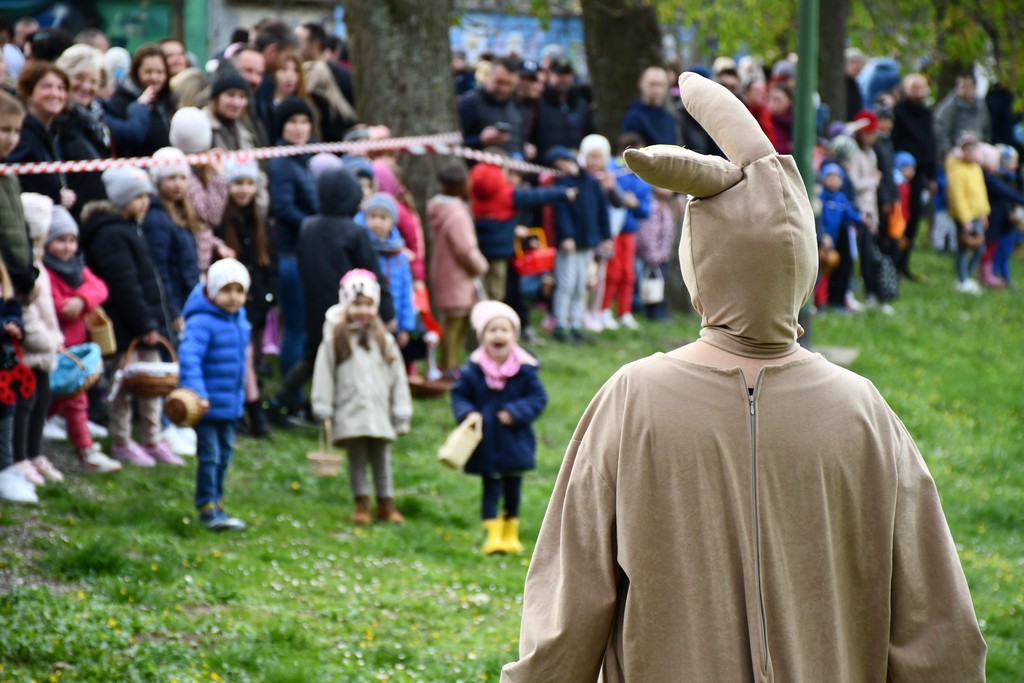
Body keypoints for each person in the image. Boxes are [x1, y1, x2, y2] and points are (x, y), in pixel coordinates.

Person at [501, 72, 987, 682]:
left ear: (700, 260)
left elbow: (567, 609)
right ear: (803, 265)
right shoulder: (861, 409)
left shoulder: (633, 400)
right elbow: (936, 624)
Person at [269, 167, 393, 425]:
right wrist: (388, 313)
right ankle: (331, 408)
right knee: (342, 358)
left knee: (314, 354)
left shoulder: (308, 226)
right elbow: (373, 274)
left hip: (314, 306)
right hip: (347, 308)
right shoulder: (353, 232)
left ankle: (281, 401)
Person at [80, 167, 180, 467]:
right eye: (138, 197)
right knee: (123, 386)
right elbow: (125, 286)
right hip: (128, 328)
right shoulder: (111, 233)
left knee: (152, 383)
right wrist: (145, 324)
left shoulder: (129, 227)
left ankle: (152, 437)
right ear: (122, 199)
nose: (145, 202)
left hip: (143, 323)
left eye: (146, 196)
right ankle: (122, 440)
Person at [311, 269, 412, 525]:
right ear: (346, 305)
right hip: (350, 410)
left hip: (379, 413)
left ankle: (386, 503)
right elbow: (324, 374)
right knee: (356, 460)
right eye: (357, 305)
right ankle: (361, 503)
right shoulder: (335, 338)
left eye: (368, 305)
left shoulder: (384, 340)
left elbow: (397, 377)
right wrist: (323, 407)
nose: (363, 311)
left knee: (382, 459)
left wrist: (400, 411)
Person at [451, 300, 547, 555]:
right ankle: (493, 535)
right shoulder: (473, 370)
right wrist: (468, 413)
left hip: (515, 441)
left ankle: (510, 532)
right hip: (486, 442)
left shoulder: (525, 370)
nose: (498, 335)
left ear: (514, 335)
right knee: (490, 487)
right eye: (492, 330)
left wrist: (516, 412)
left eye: (504, 330)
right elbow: (459, 396)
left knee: (513, 486)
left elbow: (538, 398)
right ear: (483, 337)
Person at [42, 204, 120, 473]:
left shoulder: (77, 268)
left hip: (77, 349)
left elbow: (100, 287)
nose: (67, 247)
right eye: (60, 240)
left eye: (71, 240)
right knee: (52, 401)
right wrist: (71, 303)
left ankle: (86, 451)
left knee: (76, 400)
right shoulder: (45, 273)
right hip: (54, 347)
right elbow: (56, 307)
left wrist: (82, 299)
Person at [177, 258, 251, 531]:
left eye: (239, 290)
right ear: (212, 290)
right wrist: (198, 393)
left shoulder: (239, 320)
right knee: (210, 455)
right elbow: (190, 358)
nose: (233, 297)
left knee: (225, 454)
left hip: (229, 404)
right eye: (227, 290)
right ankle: (207, 505)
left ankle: (217, 502)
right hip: (207, 405)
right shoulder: (202, 322)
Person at [217, 158, 275, 438]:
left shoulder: (258, 220)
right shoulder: (222, 222)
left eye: (249, 183)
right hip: (233, 302)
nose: (244, 190)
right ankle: (252, 410)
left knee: (252, 356)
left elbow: (266, 262)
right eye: (238, 183)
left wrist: (267, 297)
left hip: (256, 302)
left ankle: (246, 408)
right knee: (242, 355)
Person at [14, 193, 63, 486]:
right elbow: (27, 313)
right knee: (24, 405)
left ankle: (34, 454)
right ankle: (19, 458)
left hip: (44, 351)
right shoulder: (24, 266)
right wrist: (48, 340)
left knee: (41, 401)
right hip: (28, 352)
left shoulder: (39, 262)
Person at [268, 96, 318, 386]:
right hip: (289, 255)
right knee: (297, 328)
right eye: (292, 122)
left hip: (302, 252)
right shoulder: (283, 162)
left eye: (304, 122)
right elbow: (283, 208)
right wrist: (315, 227)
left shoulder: (303, 159)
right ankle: (290, 396)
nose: (299, 129)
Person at [546, 145, 611, 344]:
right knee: (566, 283)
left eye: (565, 162)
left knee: (581, 285)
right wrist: (566, 236)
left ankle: (576, 324)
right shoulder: (563, 185)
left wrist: (605, 236)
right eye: (559, 165)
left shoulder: (591, 183)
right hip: (570, 244)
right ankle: (561, 324)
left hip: (587, 242)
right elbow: (561, 213)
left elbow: (602, 210)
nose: (565, 167)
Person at [427, 162, 488, 372]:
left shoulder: (439, 207)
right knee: (455, 322)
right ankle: (449, 366)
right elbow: (465, 249)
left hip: (445, 270)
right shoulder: (456, 214)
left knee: (454, 319)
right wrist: (480, 266)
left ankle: (450, 363)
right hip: (457, 274)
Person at [142, 146, 201, 333]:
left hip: (188, 298)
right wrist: (173, 312)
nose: (178, 184)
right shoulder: (156, 219)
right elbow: (160, 269)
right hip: (176, 304)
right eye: (171, 178)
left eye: (183, 178)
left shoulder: (180, 212)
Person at [8, 61, 74, 210]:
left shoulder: (50, 133)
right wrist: (55, 197)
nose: (55, 94)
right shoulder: (23, 134)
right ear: (28, 92)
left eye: (61, 88)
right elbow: (17, 181)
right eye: (47, 86)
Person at [601, 133, 651, 331]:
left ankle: (624, 312)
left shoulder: (643, 176)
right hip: (611, 232)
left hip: (629, 231)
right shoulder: (611, 170)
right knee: (611, 273)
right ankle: (604, 310)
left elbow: (645, 210)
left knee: (627, 274)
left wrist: (635, 204)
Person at [891, 73, 936, 280]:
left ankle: (904, 264)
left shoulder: (927, 114)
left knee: (914, 218)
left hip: (920, 175)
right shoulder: (898, 112)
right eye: (914, 88)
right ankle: (893, 263)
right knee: (899, 219)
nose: (918, 92)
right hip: (900, 176)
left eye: (921, 88)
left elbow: (930, 144)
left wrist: (932, 175)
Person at [361, 192, 416, 356]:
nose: (377, 222)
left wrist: (406, 326)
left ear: (392, 221)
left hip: (394, 322)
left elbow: (407, 293)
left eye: (383, 217)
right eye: (372, 216)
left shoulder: (400, 256)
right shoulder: (362, 249)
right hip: (367, 319)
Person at [104, 43, 176, 158]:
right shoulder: (121, 101)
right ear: (136, 72)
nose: (154, 78)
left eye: (160, 72)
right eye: (148, 72)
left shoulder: (168, 101)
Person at [945, 133, 989, 294]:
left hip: (977, 214)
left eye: (974, 150)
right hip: (965, 217)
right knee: (964, 248)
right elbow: (957, 197)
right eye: (968, 150)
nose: (971, 154)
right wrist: (965, 220)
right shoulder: (957, 170)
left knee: (979, 248)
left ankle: (967, 277)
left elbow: (981, 192)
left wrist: (984, 212)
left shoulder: (976, 168)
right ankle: (963, 279)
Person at [459, 56, 526, 157]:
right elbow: (455, 143)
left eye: (509, 84)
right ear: (488, 76)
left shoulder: (516, 105)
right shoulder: (470, 102)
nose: (503, 89)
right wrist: (480, 140)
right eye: (499, 82)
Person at [934, 71, 991, 160]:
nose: (965, 90)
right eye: (962, 87)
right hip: (957, 153)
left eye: (968, 87)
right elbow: (942, 132)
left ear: (975, 87)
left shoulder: (981, 106)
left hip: (978, 150)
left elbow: (986, 129)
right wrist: (948, 152)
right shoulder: (949, 107)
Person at [620, 66, 676, 146]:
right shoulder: (634, 117)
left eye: (660, 85)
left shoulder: (669, 118)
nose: (656, 89)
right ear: (641, 84)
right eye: (652, 84)